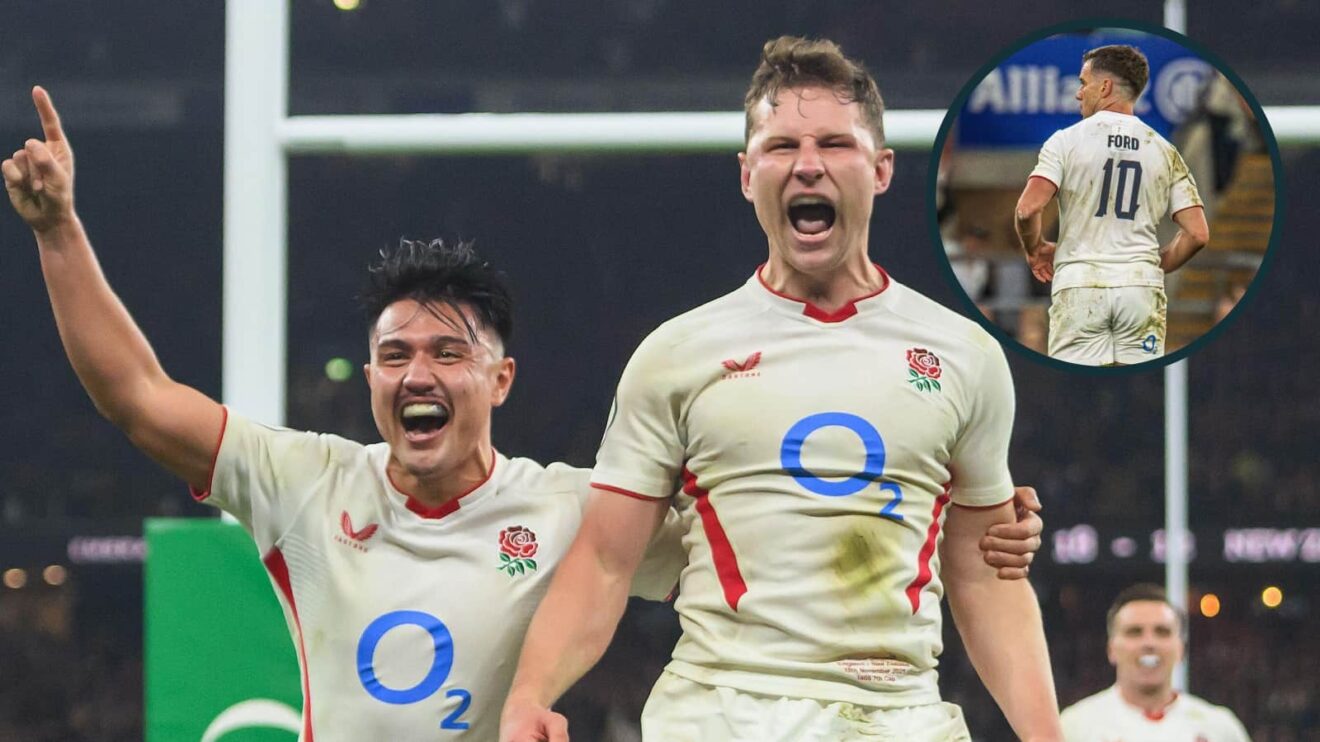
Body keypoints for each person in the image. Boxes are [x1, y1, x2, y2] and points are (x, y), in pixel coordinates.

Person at [3, 87, 1045, 739]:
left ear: (499, 380)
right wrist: (58, 235)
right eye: (395, 354)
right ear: (367, 379)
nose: (420, 374)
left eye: (449, 352)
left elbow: (773, 535)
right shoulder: (308, 480)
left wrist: (972, 521)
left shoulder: (566, 508)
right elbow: (136, 397)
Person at [502, 37, 1061, 742]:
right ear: (746, 174)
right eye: (780, 146)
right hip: (721, 712)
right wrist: (529, 695)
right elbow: (607, 559)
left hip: (897, 715)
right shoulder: (677, 354)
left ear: (881, 169)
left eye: (835, 143)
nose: (806, 165)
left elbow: (986, 577)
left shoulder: (965, 355)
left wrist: (1047, 736)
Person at [1014, 44, 1210, 366]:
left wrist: (1035, 248)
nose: (1079, 94)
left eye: (1083, 83)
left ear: (1104, 87)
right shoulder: (1164, 150)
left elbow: (1027, 208)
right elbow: (1198, 234)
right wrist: (1153, 264)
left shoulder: (1066, 141)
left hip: (1081, 284)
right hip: (1140, 287)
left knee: (1075, 389)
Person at [1061, 584, 1250, 741]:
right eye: (1134, 632)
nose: (1149, 643)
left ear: (1180, 649)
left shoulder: (1220, 728)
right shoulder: (1075, 726)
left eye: (1162, 632)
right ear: (1111, 649)